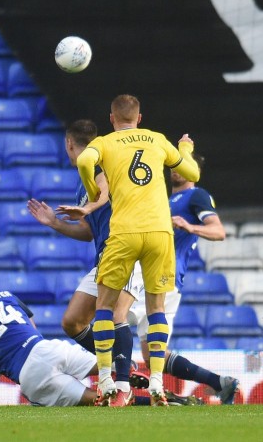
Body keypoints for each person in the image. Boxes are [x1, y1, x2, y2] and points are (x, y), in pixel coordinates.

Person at [76, 94, 199, 406]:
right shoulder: (158, 140)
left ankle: (106, 379)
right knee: (156, 310)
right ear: (139, 118)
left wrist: (92, 192)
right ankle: (156, 380)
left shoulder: (104, 143)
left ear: (112, 118)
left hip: (124, 233)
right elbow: (193, 173)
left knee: (104, 308)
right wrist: (185, 149)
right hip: (159, 233)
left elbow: (83, 161)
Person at [27, 119, 143, 406]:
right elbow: (89, 231)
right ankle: (119, 364)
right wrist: (54, 223)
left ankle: (122, 386)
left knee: (116, 315)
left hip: (125, 248)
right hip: (103, 255)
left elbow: (104, 189)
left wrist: (90, 205)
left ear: (68, 143)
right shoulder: (84, 181)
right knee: (73, 321)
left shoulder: (101, 165)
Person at [128, 154, 239, 404]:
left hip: (163, 276)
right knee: (151, 353)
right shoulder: (169, 200)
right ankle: (219, 383)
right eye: (175, 166)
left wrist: (190, 227)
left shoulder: (196, 196)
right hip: (154, 274)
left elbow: (218, 231)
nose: (176, 170)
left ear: (195, 172)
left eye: (185, 166)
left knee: (113, 317)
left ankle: (116, 382)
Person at [0, 269, 100, 407]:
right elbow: (31, 328)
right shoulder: (7, 296)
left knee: (97, 400)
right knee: (108, 365)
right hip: (47, 349)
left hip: (31, 376)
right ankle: (122, 383)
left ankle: (108, 398)